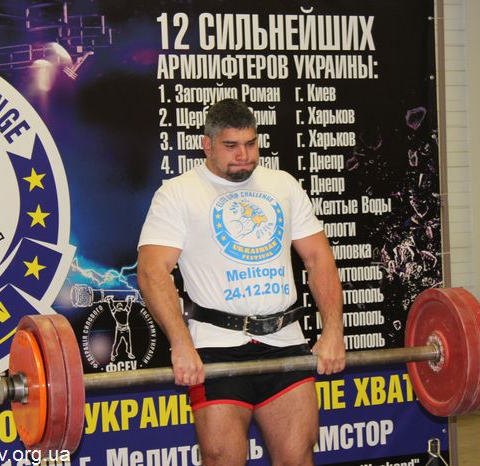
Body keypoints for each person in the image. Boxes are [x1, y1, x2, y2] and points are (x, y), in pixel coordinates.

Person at [137, 98, 345, 466]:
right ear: (207, 145)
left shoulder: (282, 185)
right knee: (223, 458)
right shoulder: (178, 193)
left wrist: (333, 332)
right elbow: (152, 272)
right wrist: (181, 344)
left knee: (297, 457)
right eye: (231, 146)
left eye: (251, 144)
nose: (244, 155)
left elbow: (318, 258)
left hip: (284, 342)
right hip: (216, 348)